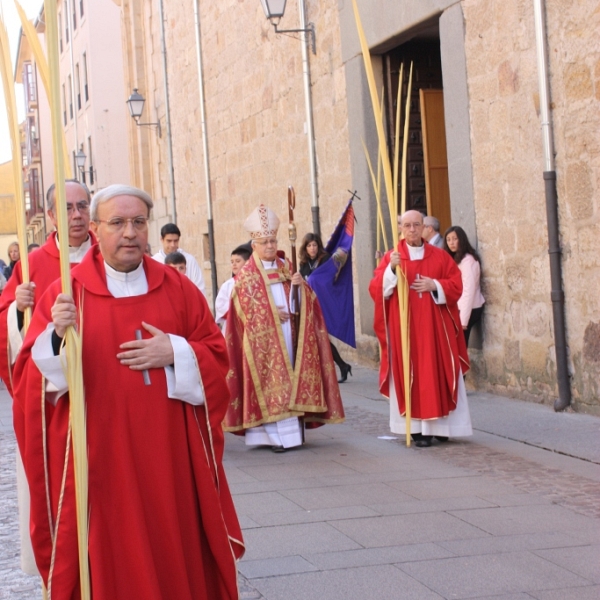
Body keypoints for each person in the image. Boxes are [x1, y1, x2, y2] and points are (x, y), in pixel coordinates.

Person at [13, 184, 243, 599]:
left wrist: (174, 350)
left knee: (172, 545)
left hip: (170, 459)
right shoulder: (68, 294)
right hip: (103, 459)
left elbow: (217, 355)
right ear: (97, 230)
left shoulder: (178, 289)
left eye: (138, 222)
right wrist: (57, 334)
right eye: (117, 223)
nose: (130, 232)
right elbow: (30, 381)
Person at [0, 180, 96, 576]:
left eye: (83, 206)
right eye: (67, 208)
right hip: (54, 402)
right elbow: (12, 341)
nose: (76, 215)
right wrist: (14, 312)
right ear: (51, 215)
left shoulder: (110, 253)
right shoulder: (33, 264)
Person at [224, 205, 345, 452]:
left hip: (290, 336)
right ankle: (272, 436)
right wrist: (270, 315)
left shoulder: (286, 266)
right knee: (273, 380)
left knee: (292, 378)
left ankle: (293, 433)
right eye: (265, 242)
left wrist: (300, 287)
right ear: (254, 245)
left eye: (273, 241)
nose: (270, 246)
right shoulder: (247, 276)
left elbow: (305, 304)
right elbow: (242, 310)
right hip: (264, 344)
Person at [369, 210, 472, 447]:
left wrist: (434, 285)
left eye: (417, 225)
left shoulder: (440, 256)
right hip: (405, 330)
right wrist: (391, 271)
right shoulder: (392, 257)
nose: (412, 230)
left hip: (435, 330)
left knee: (438, 372)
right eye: (407, 225)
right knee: (411, 375)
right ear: (400, 229)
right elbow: (376, 289)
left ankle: (443, 426)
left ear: (424, 227)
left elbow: (457, 285)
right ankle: (417, 430)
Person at [299, 233, 353, 383]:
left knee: (321, 337)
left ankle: (339, 366)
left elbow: (331, 277)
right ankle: (342, 365)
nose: (312, 248)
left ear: (318, 246)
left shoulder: (326, 259)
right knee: (318, 338)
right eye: (309, 245)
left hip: (325, 303)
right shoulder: (303, 264)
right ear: (305, 248)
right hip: (310, 304)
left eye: (314, 245)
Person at [443, 225, 485, 346]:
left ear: (461, 239)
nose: (451, 242)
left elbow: (469, 290)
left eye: (455, 239)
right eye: (448, 239)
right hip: (460, 307)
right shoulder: (456, 259)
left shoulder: (468, 261)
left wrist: (463, 321)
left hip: (469, 308)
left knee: (460, 345)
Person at [152, 223, 206, 296]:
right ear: (162, 239)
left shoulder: (189, 260)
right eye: (169, 241)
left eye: (176, 241)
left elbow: (199, 288)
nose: (173, 245)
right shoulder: (154, 262)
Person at [214, 243, 251, 331]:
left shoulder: (255, 283)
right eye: (232, 262)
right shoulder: (228, 285)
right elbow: (220, 307)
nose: (234, 264)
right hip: (232, 327)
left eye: (238, 261)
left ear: (247, 262)